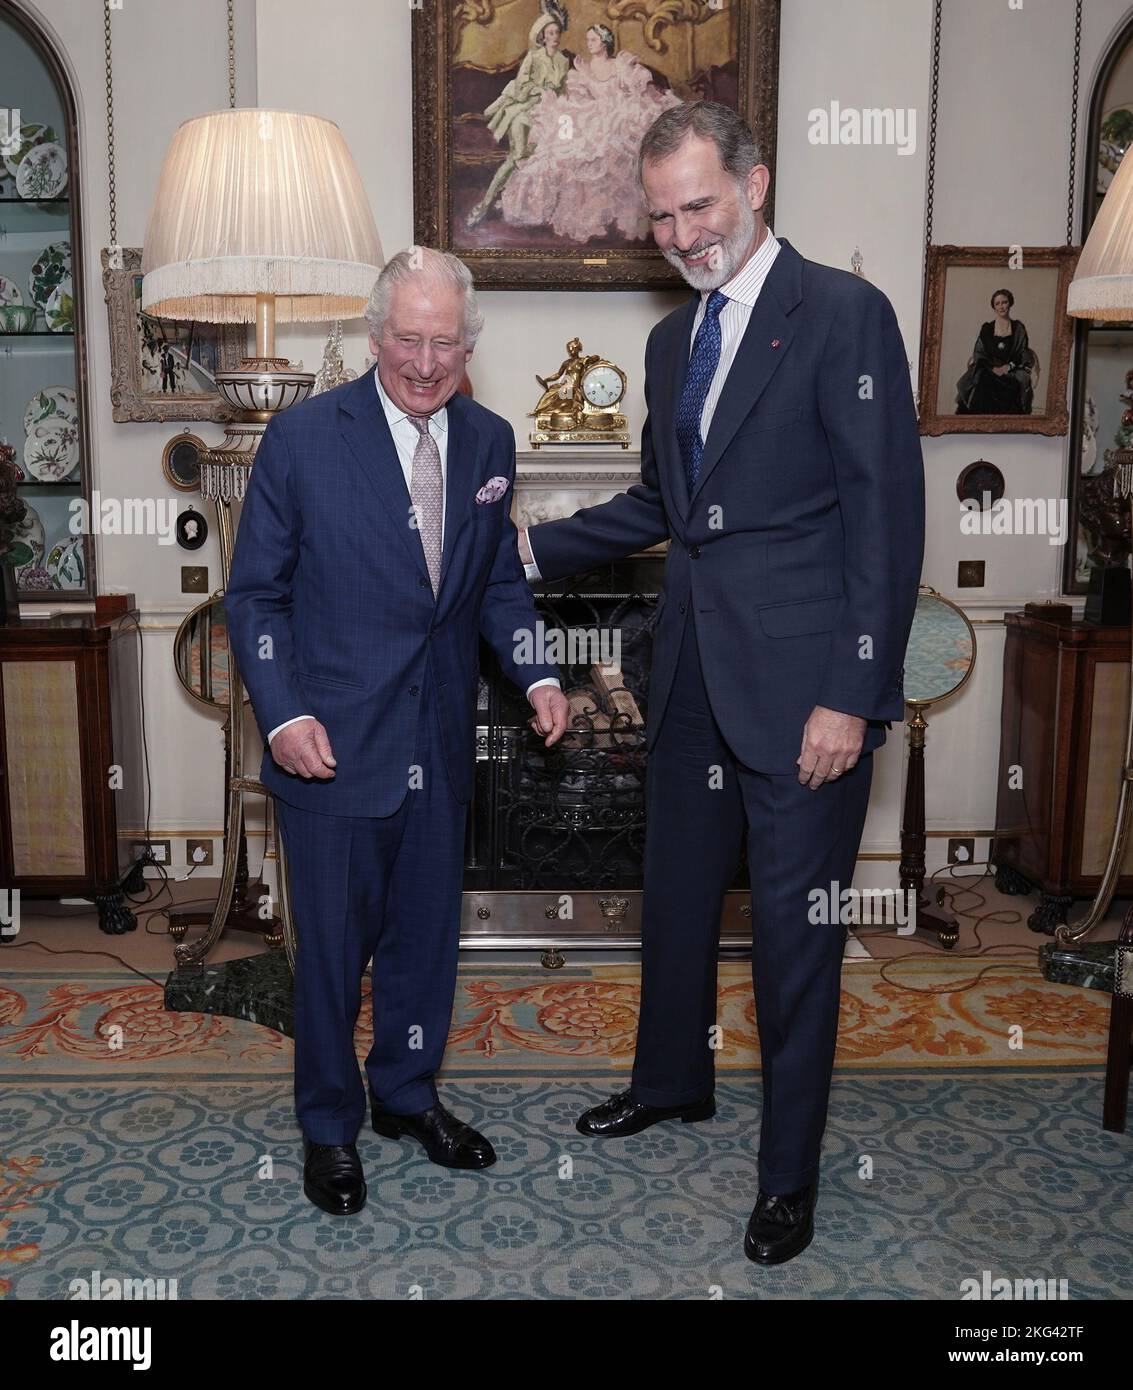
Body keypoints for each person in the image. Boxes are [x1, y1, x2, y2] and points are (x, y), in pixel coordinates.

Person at [519, 101, 925, 1264]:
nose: (683, 233)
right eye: (660, 217)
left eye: (698, 204)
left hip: (805, 692)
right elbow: (665, 506)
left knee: (797, 942)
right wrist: (533, 547)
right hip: (689, 670)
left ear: (754, 184)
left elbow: (883, 526)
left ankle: (788, 1176)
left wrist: (851, 695)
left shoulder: (844, 316)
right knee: (676, 903)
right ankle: (670, 1084)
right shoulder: (671, 341)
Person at [225, 247, 570, 1216]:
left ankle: (406, 1097)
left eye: (445, 342)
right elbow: (255, 595)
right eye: (408, 339)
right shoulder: (300, 439)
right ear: (375, 336)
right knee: (333, 949)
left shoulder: (491, 440)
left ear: (469, 344)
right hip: (328, 743)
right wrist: (284, 711)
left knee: (424, 943)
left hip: (437, 741)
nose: (425, 361)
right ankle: (329, 1125)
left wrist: (537, 670)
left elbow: (494, 580)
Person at [500, 23, 681, 242]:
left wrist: (624, 101)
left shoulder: (619, 64)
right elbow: (579, 98)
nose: (589, 44)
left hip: (619, 113)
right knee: (565, 145)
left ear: (604, 42)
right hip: (593, 116)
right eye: (587, 40)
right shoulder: (583, 69)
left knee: (615, 140)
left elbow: (636, 88)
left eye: (593, 40)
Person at [467, 8, 571, 228]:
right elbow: (521, 84)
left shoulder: (563, 61)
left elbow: (564, 91)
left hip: (550, 115)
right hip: (524, 112)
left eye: (557, 32)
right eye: (550, 33)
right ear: (542, 36)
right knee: (516, 156)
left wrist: (560, 100)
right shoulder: (533, 57)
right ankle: (484, 205)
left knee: (554, 156)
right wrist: (540, 89)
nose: (554, 37)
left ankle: (537, 208)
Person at [955, 288, 1038, 413]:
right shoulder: (987, 328)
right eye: (997, 304)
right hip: (988, 369)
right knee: (981, 382)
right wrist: (992, 368)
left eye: (1004, 302)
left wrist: (1007, 367)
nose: (1001, 307)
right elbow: (979, 354)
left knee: (1013, 386)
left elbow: (1023, 353)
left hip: (1012, 371)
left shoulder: (1018, 328)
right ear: (993, 307)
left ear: (1010, 303)